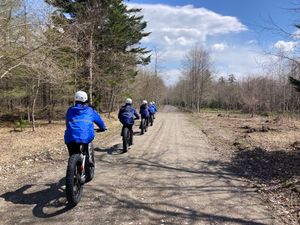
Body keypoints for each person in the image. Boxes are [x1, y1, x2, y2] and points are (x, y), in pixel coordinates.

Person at [64, 91, 107, 166]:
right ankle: (87, 159)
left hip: (70, 136)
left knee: (73, 153)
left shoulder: (70, 110)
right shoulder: (90, 110)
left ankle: (73, 167)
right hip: (85, 135)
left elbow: (67, 122)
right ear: (86, 99)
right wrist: (103, 128)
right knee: (86, 140)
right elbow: (99, 121)